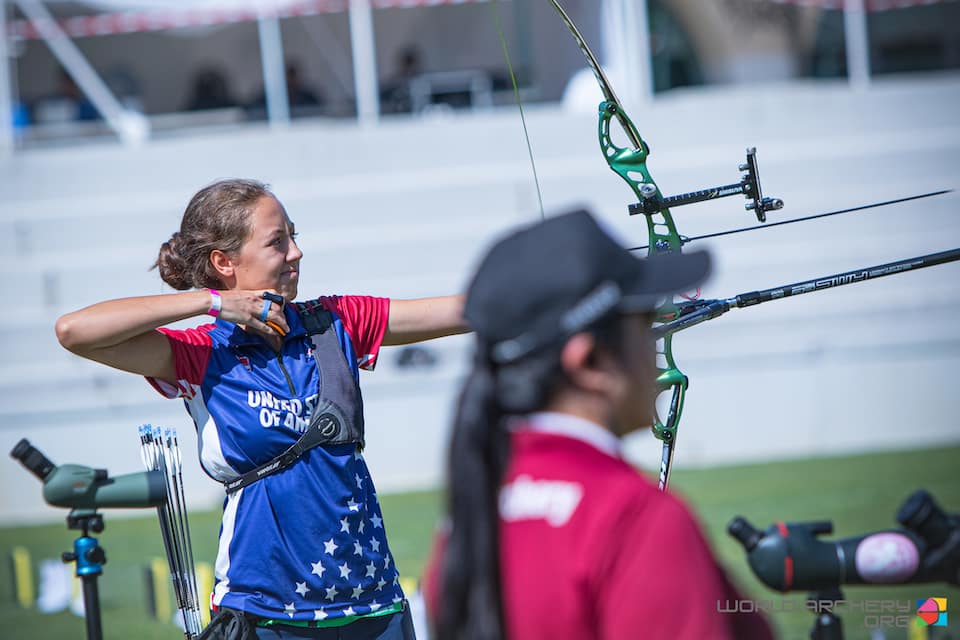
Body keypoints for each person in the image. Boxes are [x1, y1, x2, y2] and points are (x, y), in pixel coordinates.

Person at [55, 178, 466, 638]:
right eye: (277, 242)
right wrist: (211, 303)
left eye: (294, 236)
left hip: (373, 605)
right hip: (266, 612)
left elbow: (467, 311)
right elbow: (75, 330)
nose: (296, 252)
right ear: (224, 263)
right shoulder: (201, 351)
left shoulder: (337, 321)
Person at [425, 209, 774, 640]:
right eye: (644, 325)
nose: (655, 349)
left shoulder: (464, 525)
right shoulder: (636, 518)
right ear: (590, 362)